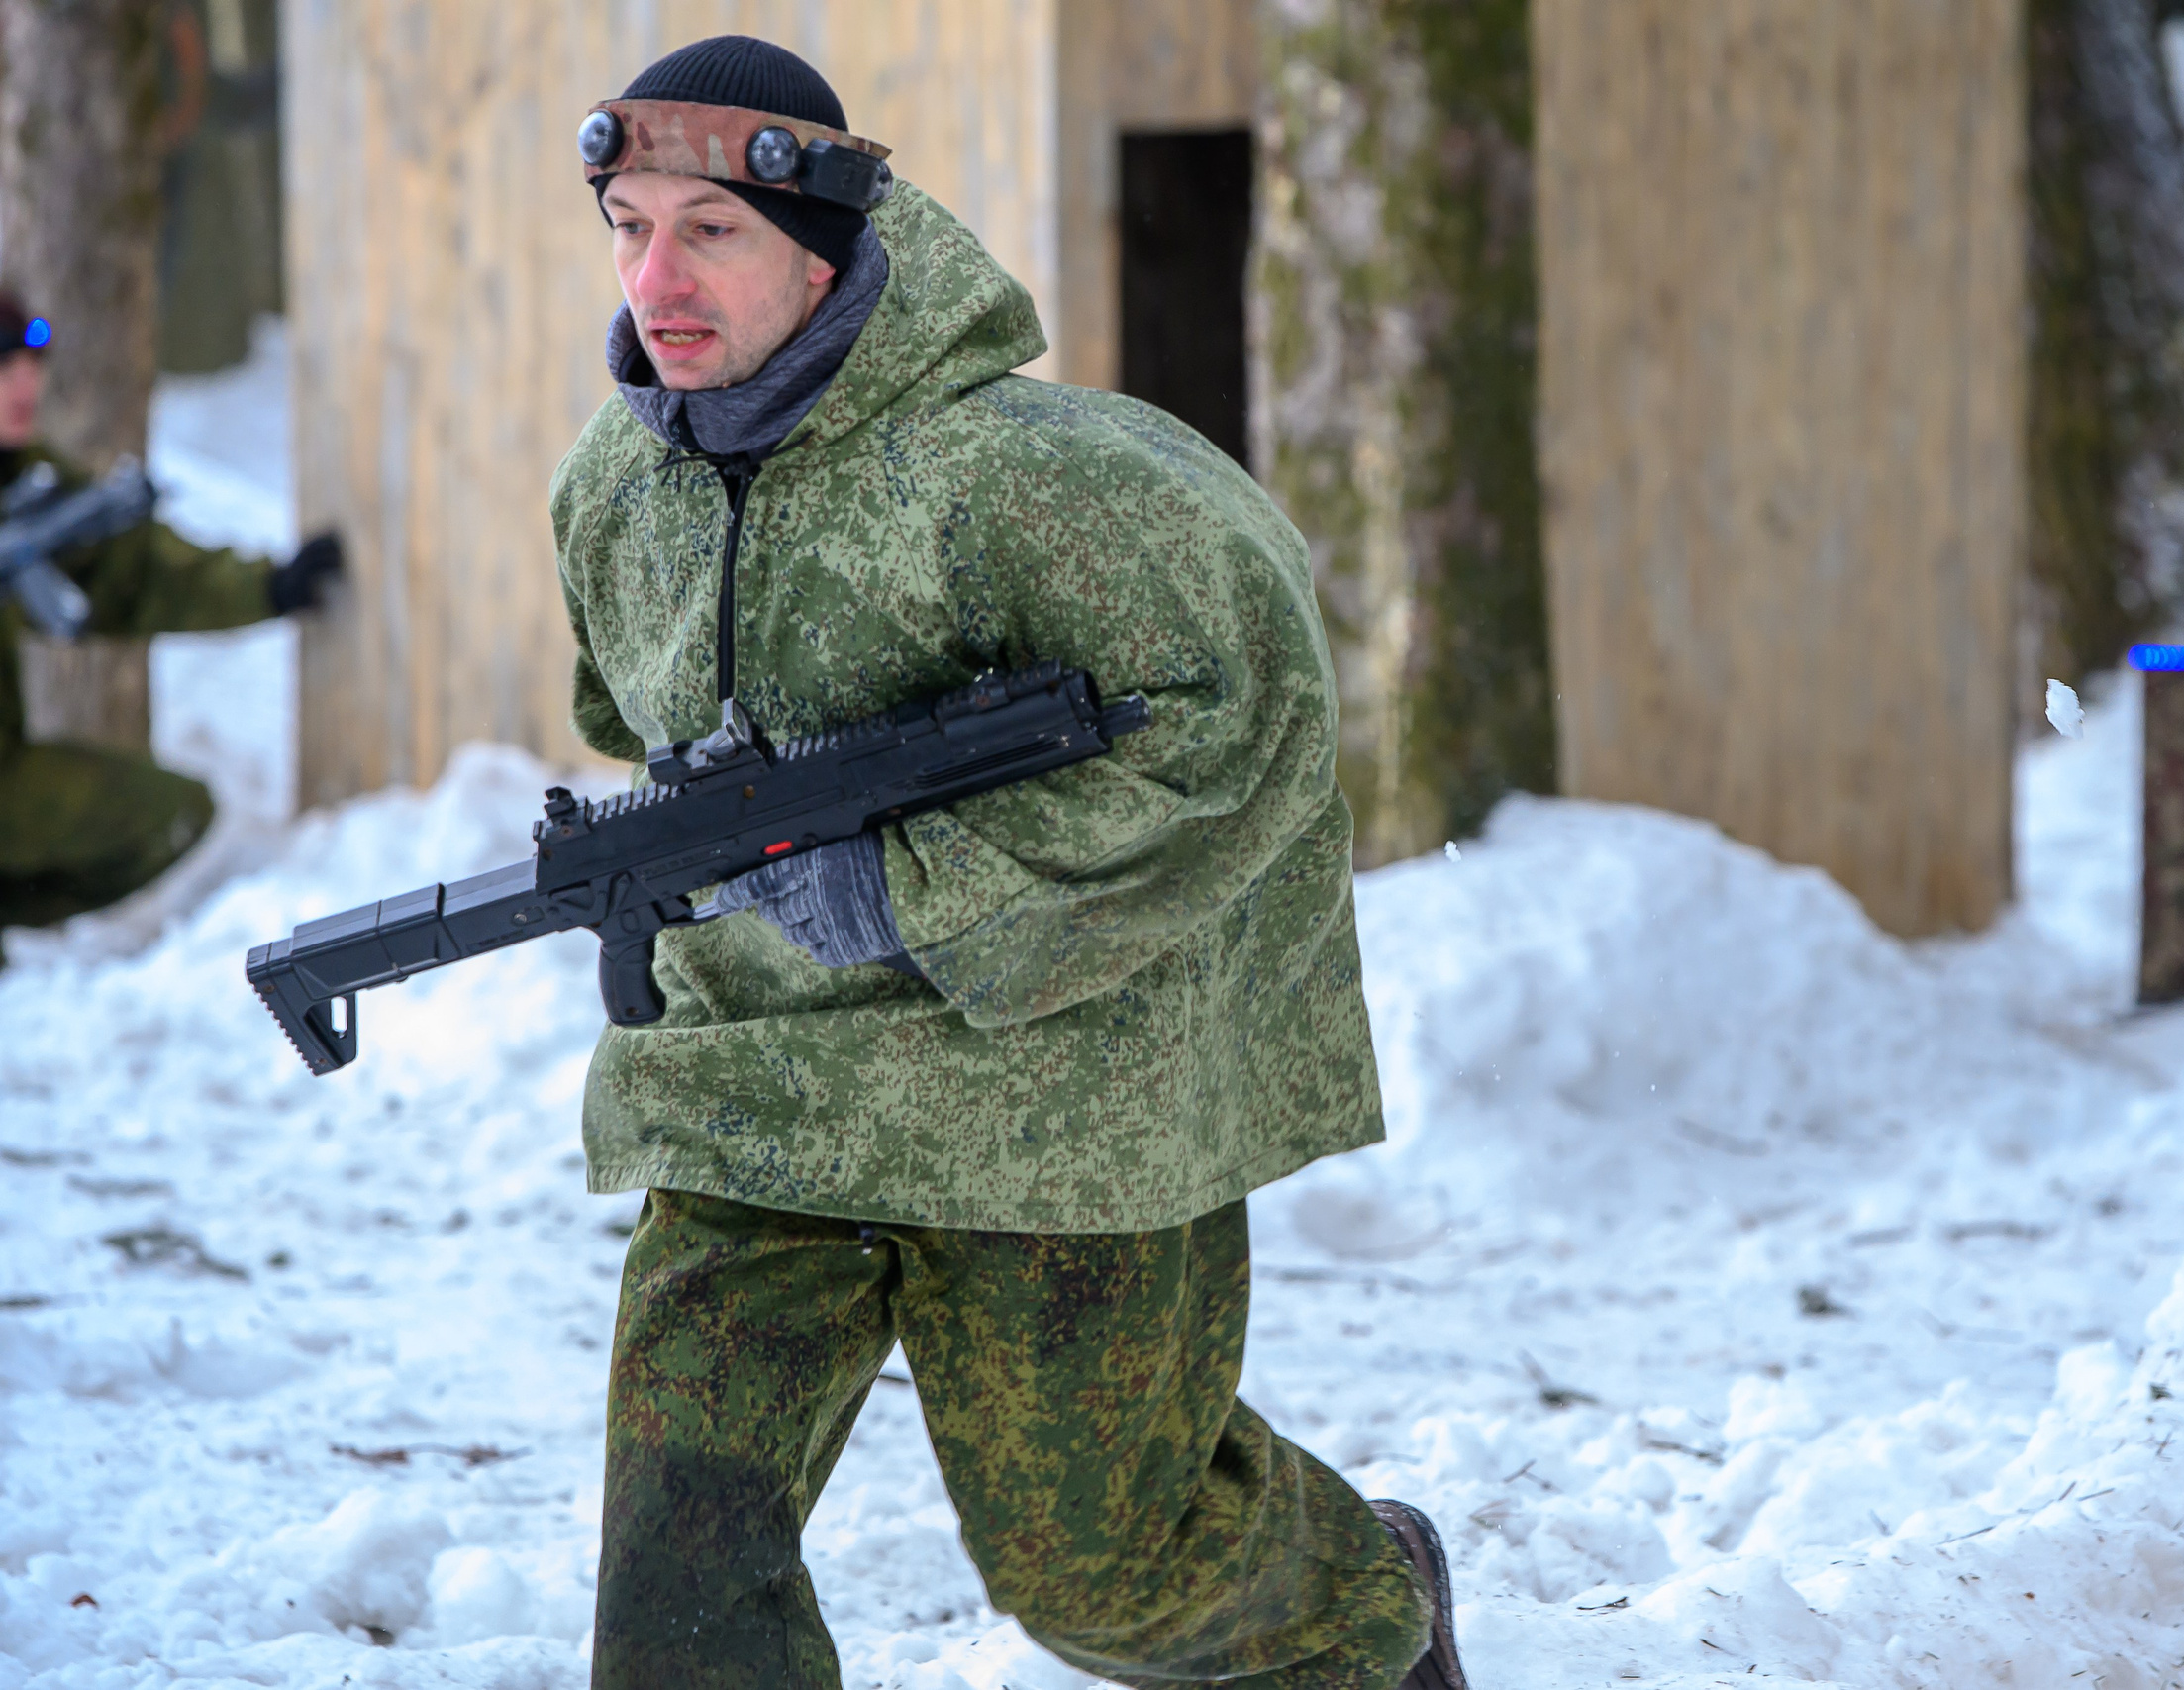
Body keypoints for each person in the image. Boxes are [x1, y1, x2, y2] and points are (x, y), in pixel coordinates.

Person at [554, 35, 1467, 1690]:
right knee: (680, 1578)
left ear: (822, 245)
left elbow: (1234, 720)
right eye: (627, 225)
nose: (656, 276)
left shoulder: (1043, 478)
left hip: (1058, 1095)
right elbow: (626, 705)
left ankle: (1373, 1594)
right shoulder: (616, 489)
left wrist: (914, 887)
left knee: (1108, 1571)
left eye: (711, 231)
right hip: (760, 1083)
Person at [0, 291, 340, 949]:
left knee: (171, 812)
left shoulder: (25, 485)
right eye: (4, 363)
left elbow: (132, 571)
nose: (26, 382)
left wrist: (268, 588)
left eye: (33, 359)